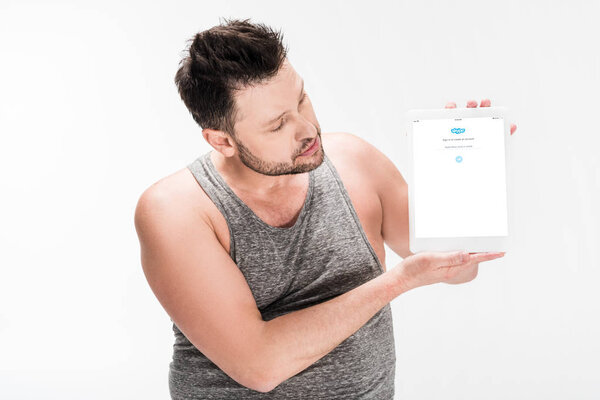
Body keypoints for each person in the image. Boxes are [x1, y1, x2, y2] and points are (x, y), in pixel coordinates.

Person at [134, 17, 517, 399]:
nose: (307, 129)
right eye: (278, 124)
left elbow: (455, 270)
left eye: (301, 99)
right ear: (222, 141)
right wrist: (398, 281)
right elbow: (260, 365)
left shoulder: (355, 161)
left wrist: (466, 184)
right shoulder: (177, 211)